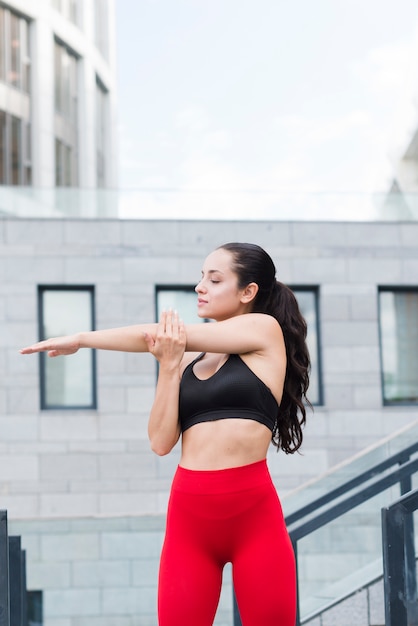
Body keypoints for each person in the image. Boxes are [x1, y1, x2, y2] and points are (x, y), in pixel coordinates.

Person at [21, 242, 311, 626]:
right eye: (200, 277)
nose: (199, 287)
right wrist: (170, 367)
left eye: (214, 278)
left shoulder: (264, 330)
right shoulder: (191, 358)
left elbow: (153, 335)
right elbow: (160, 443)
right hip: (189, 519)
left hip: (252, 517)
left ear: (248, 292)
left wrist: (81, 339)